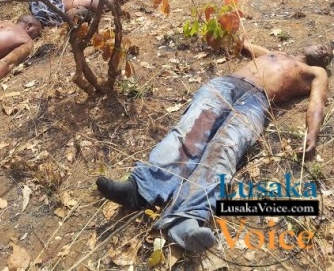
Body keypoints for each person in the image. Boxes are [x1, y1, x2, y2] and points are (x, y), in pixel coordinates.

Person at [96, 40, 332, 252]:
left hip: (256, 101)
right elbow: (241, 43)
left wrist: (312, 132)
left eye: (329, 54)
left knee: (225, 149)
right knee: (189, 131)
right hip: (225, 85)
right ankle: (139, 189)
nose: (326, 51)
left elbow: (317, 102)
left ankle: (186, 218)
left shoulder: (315, 72)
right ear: (306, 44)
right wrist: (225, 33)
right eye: (324, 45)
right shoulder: (273, 53)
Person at [0, 15, 42, 96]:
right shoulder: (27, 40)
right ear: (29, 26)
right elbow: (7, 62)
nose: (38, 36)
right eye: (38, 32)